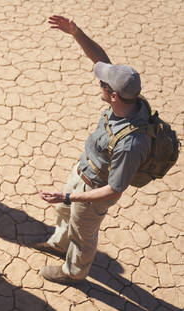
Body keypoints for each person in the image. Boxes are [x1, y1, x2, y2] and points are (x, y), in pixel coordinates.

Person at [29, 15, 151, 285]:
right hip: (83, 170)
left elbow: (114, 189)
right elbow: (101, 60)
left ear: (114, 96)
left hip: (94, 191)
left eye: (102, 84)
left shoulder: (131, 143)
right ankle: (60, 245)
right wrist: (76, 32)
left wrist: (71, 196)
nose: (100, 83)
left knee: (83, 235)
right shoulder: (128, 99)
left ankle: (74, 272)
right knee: (63, 213)